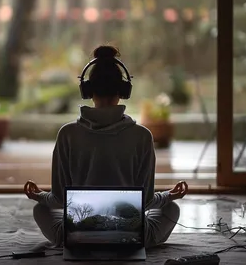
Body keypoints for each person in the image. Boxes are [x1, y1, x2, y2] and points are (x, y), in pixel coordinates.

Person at [24, 45, 188, 249]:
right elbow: (145, 202)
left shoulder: (67, 134)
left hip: (79, 232)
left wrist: (38, 195)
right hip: (129, 233)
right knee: (170, 208)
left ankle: (71, 241)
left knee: (40, 210)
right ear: (123, 91)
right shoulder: (142, 136)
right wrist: (168, 195)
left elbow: (58, 200)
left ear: (88, 91)